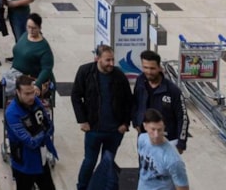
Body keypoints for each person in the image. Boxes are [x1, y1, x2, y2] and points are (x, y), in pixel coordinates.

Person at [71, 44, 133, 190]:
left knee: (108, 163)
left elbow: (129, 101)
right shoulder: (85, 71)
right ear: (97, 59)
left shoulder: (119, 75)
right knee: (89, 162)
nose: (111, 63)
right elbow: (75, 96)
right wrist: (82, 120)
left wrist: (125, 123)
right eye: (107, 60)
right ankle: (82, 187)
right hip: (93, 129)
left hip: (114, 131)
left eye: (112, 60)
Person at [5, 74, 58, 190]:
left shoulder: (36, 102)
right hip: (24, 165)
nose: (31, 97)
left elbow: (50, 126)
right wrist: (43, 131)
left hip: (41, 159)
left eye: (32, 92)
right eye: (27, 94)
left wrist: (40, 132)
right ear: (18, 92)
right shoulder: (12, 113)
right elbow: (31, 142)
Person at [132, 50, 188, 154]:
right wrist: (136, 122)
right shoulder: (140, 81)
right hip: (144, 137)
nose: (149, 71)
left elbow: (183, 118)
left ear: (159, 68)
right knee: (144, 164)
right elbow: (135, 103)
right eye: (145, 67)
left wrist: (181, 143)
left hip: (167, 141)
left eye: (152, 68)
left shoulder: (173, 91)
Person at [137, 108, 189, 190]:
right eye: (153, 129)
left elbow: (182, 187)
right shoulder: (142, 139)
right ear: (145, 126)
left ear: (164, 127)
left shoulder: (173, 160)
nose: (156, 135)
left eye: (159, 130)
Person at [10, 13, 55, 97]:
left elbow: (47, 68)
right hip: (16, 75)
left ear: (40, 28)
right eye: (28, 27)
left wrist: (37, 84)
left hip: (30, 80)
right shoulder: (25, 35)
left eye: (34, 28)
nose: (30, 30)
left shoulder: (43, 47)